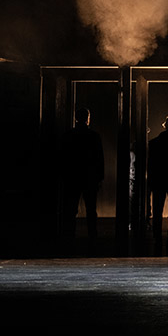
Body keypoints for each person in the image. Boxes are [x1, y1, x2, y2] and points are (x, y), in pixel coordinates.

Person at [60, 107, 104, 255]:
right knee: (91, 210)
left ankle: (68, 236)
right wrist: (99, 177)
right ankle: (92, 236)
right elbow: (99, 159)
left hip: (72, 178)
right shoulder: (94, 136)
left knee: (70, 209)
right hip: (89, 178)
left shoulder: (68, 136)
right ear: (88, 118)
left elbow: (63, 159)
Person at [147, 115, 168, 255]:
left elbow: (150, 165)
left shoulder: (154, 143)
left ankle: (157, 236)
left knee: (157, 210)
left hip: (158, 180)